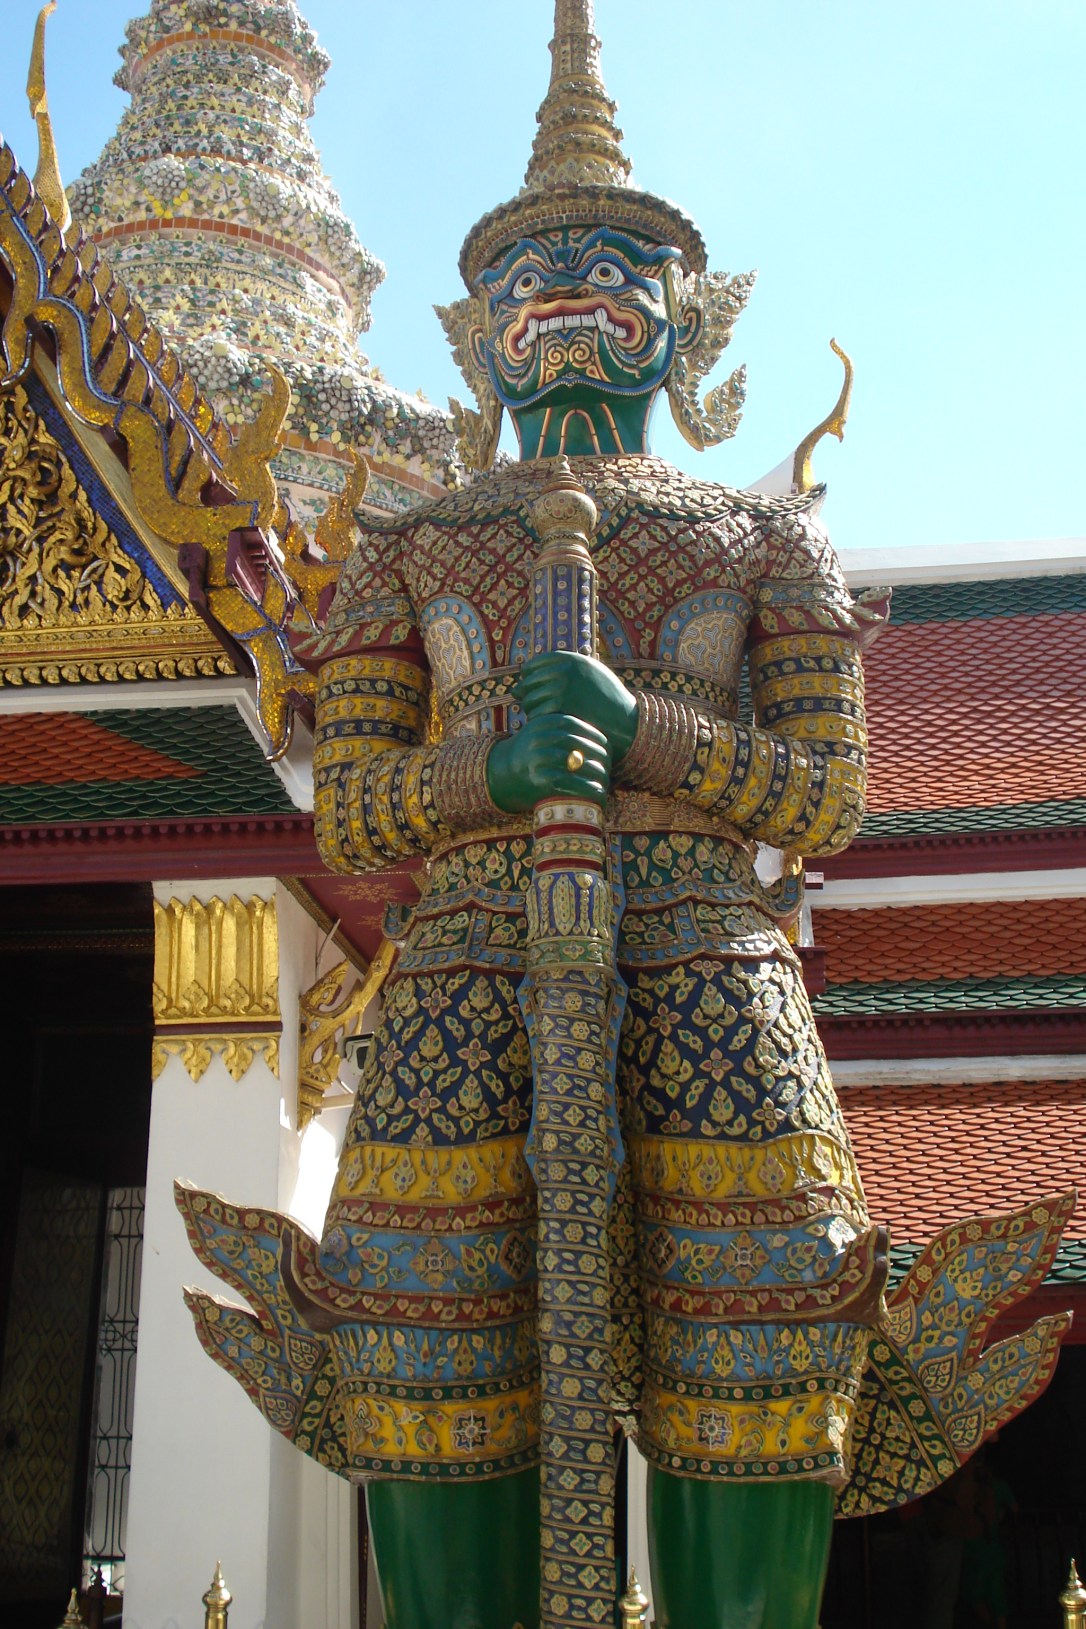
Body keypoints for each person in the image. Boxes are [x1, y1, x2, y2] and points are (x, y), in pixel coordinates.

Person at [175, 5, 1067, 1628]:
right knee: (430, 1373)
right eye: (526, 276)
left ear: (690, 312)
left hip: (715, 984)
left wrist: (636, 731)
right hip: (455, 993)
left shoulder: (756, 537)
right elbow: (358, 818)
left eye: (612, 267)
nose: (568, 297)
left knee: (759, 1367)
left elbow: (832, 799)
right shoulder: (411, 545)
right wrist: (491, 778)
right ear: (472, 332)